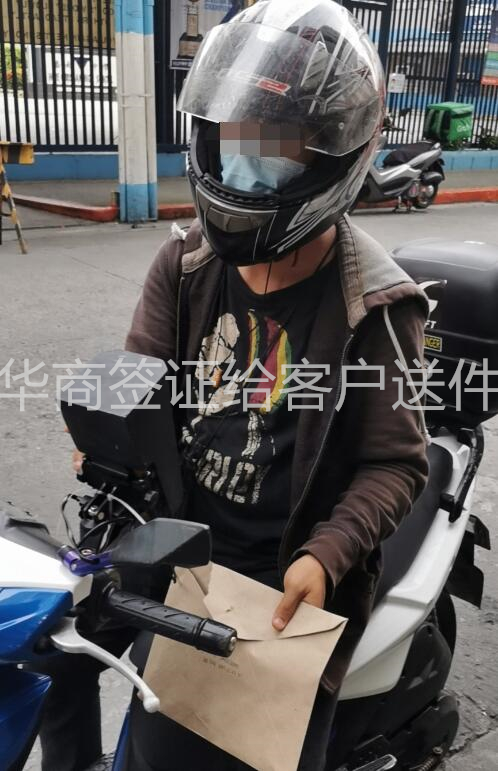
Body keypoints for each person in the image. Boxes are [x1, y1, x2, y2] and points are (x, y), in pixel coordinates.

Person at [37, 2, 430, 770]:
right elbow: (141, 382)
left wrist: (326, 555)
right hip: (178, 550)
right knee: (58, 663)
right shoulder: (185, 265)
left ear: (333, 153)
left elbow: (395, 463)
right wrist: (111, 444)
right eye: (235, 136)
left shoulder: (376, 305)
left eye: (276, 145)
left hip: (285, 584)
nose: (247, 161)